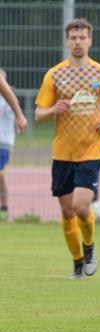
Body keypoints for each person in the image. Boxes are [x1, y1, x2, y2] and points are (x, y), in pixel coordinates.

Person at [35, 18, 100, 279]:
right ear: (67, 40)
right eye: (73, 37)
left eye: (82, 37)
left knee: (82, 206)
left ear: (90, 40)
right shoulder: (55, 74)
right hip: (62, 152)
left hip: (91, 149)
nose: (78, 41)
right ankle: (77, 262)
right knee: (66, 209)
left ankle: (90, 248)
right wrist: (52, 109)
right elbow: (39, 114)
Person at [0, 68, 27, 221]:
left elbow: (15, 117)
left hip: (4, 142)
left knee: (0, 175)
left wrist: (19, 118)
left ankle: (4, 207)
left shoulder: (9, 99)